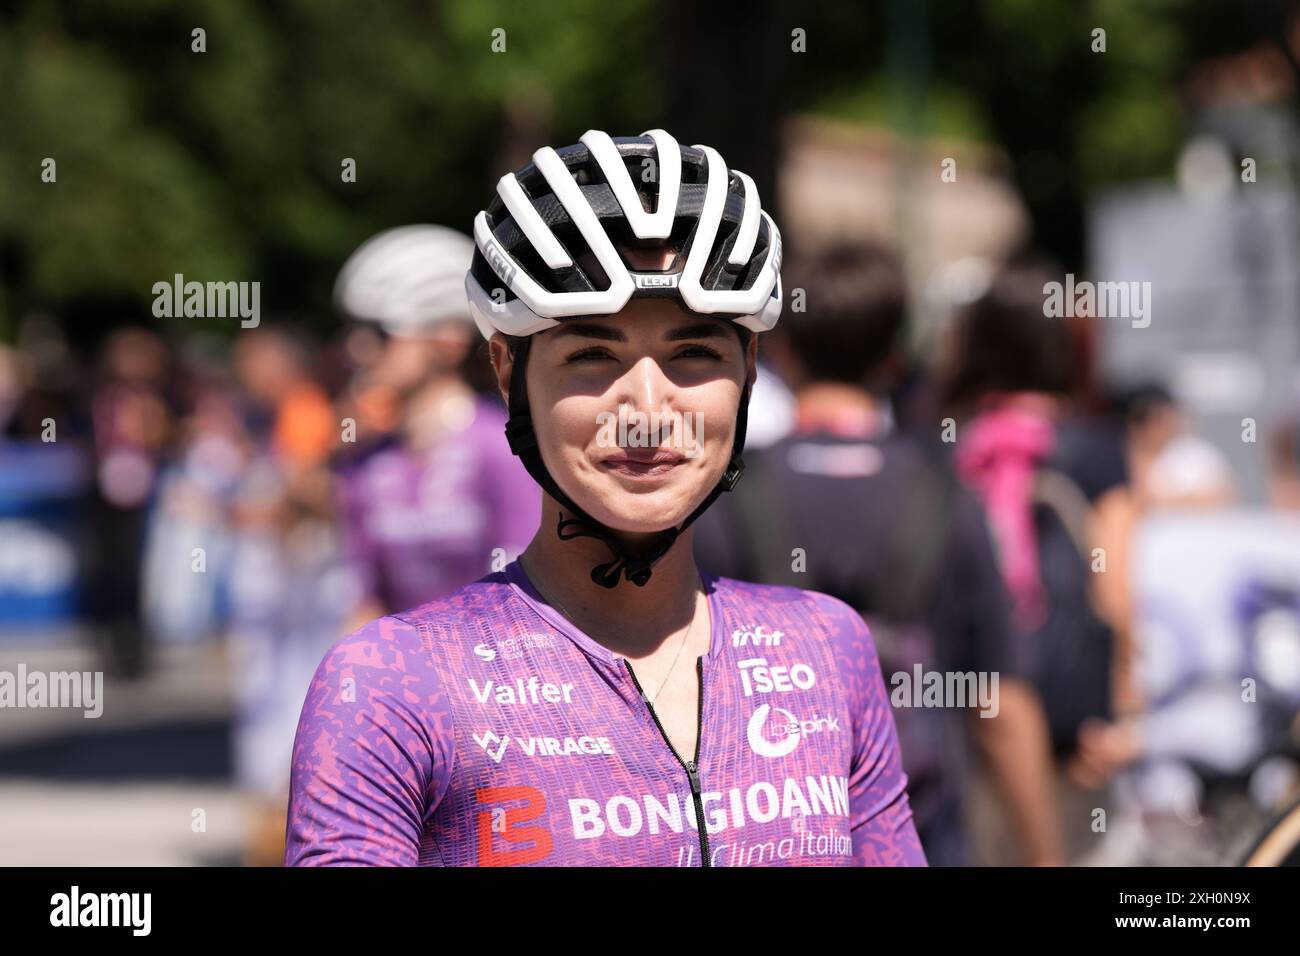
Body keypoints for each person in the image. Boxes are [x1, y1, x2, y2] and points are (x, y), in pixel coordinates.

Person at [284, 129, 925, 866]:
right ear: (505, 370)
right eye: (592, 354)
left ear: (749, 370)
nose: (648, 409)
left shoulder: (826, 650)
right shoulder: (390, 685)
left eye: (694, 353)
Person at [693, 243, 1062, 865]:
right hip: (923, 832)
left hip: (763, 837)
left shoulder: (727, 492)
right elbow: (1001, 706)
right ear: (896, 357)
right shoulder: (947, 494)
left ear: (779, 352)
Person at [332, 225, 541, 620]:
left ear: (448, 339)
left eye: (379, 333)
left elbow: (530, 598)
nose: (356, 349)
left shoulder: (503, 449)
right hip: (403, 674)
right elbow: (365, 604)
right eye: (352, 331)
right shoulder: (363, 466)